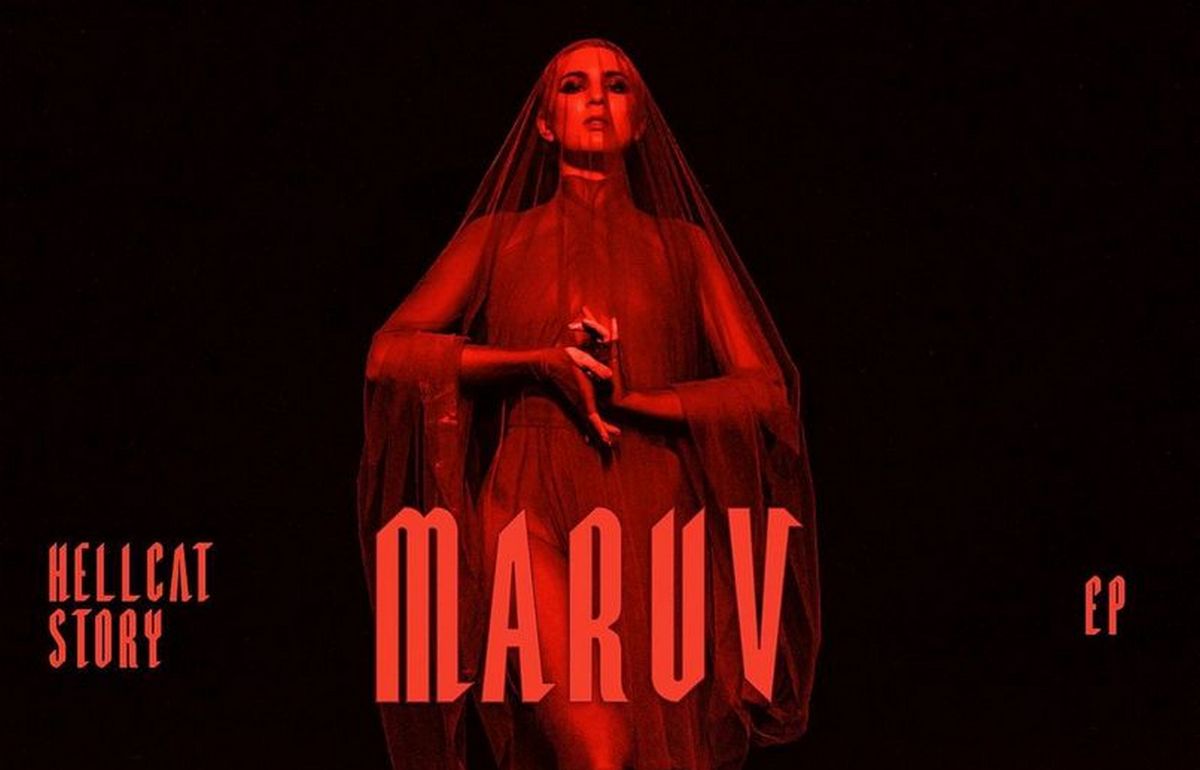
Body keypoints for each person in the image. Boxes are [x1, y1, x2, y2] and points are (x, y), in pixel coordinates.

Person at [358, 38, 819, 770]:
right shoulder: (498, 239)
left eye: (618, 85)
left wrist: (637, 398)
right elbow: (388, 353)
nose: (598, 98)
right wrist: (533, 363)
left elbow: (766, 391)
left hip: (654, 508)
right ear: (544, 123)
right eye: (574, 86)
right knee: (603, 750)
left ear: (641, 121)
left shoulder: (684, 248)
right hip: (529, 500)